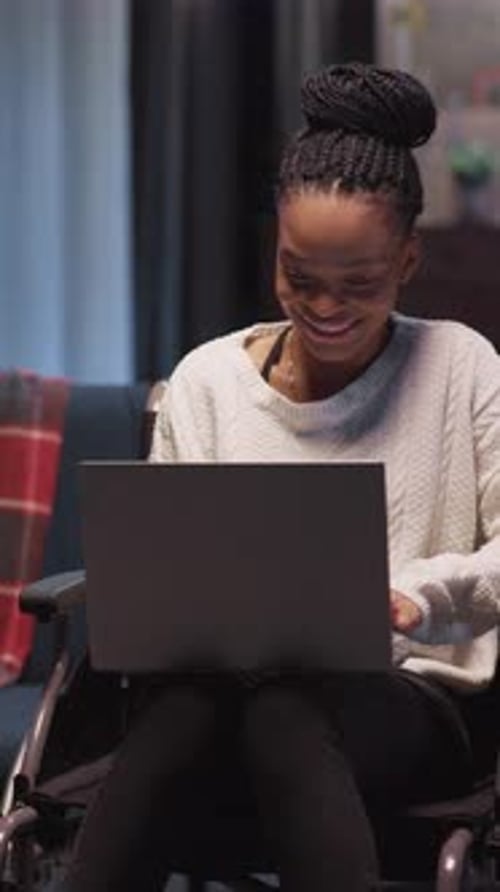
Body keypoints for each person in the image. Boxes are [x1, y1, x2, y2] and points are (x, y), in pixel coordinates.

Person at [61, 62, 500, 892]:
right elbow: (164, 581)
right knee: (197, 703)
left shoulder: (462, 366)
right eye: (300, 276)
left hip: (410, 708)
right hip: (215, 706)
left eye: (359, 285)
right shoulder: (206, 382)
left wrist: (419, 597)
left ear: (408, 260)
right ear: (275, 248)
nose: (325, 307)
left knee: (282, 707)